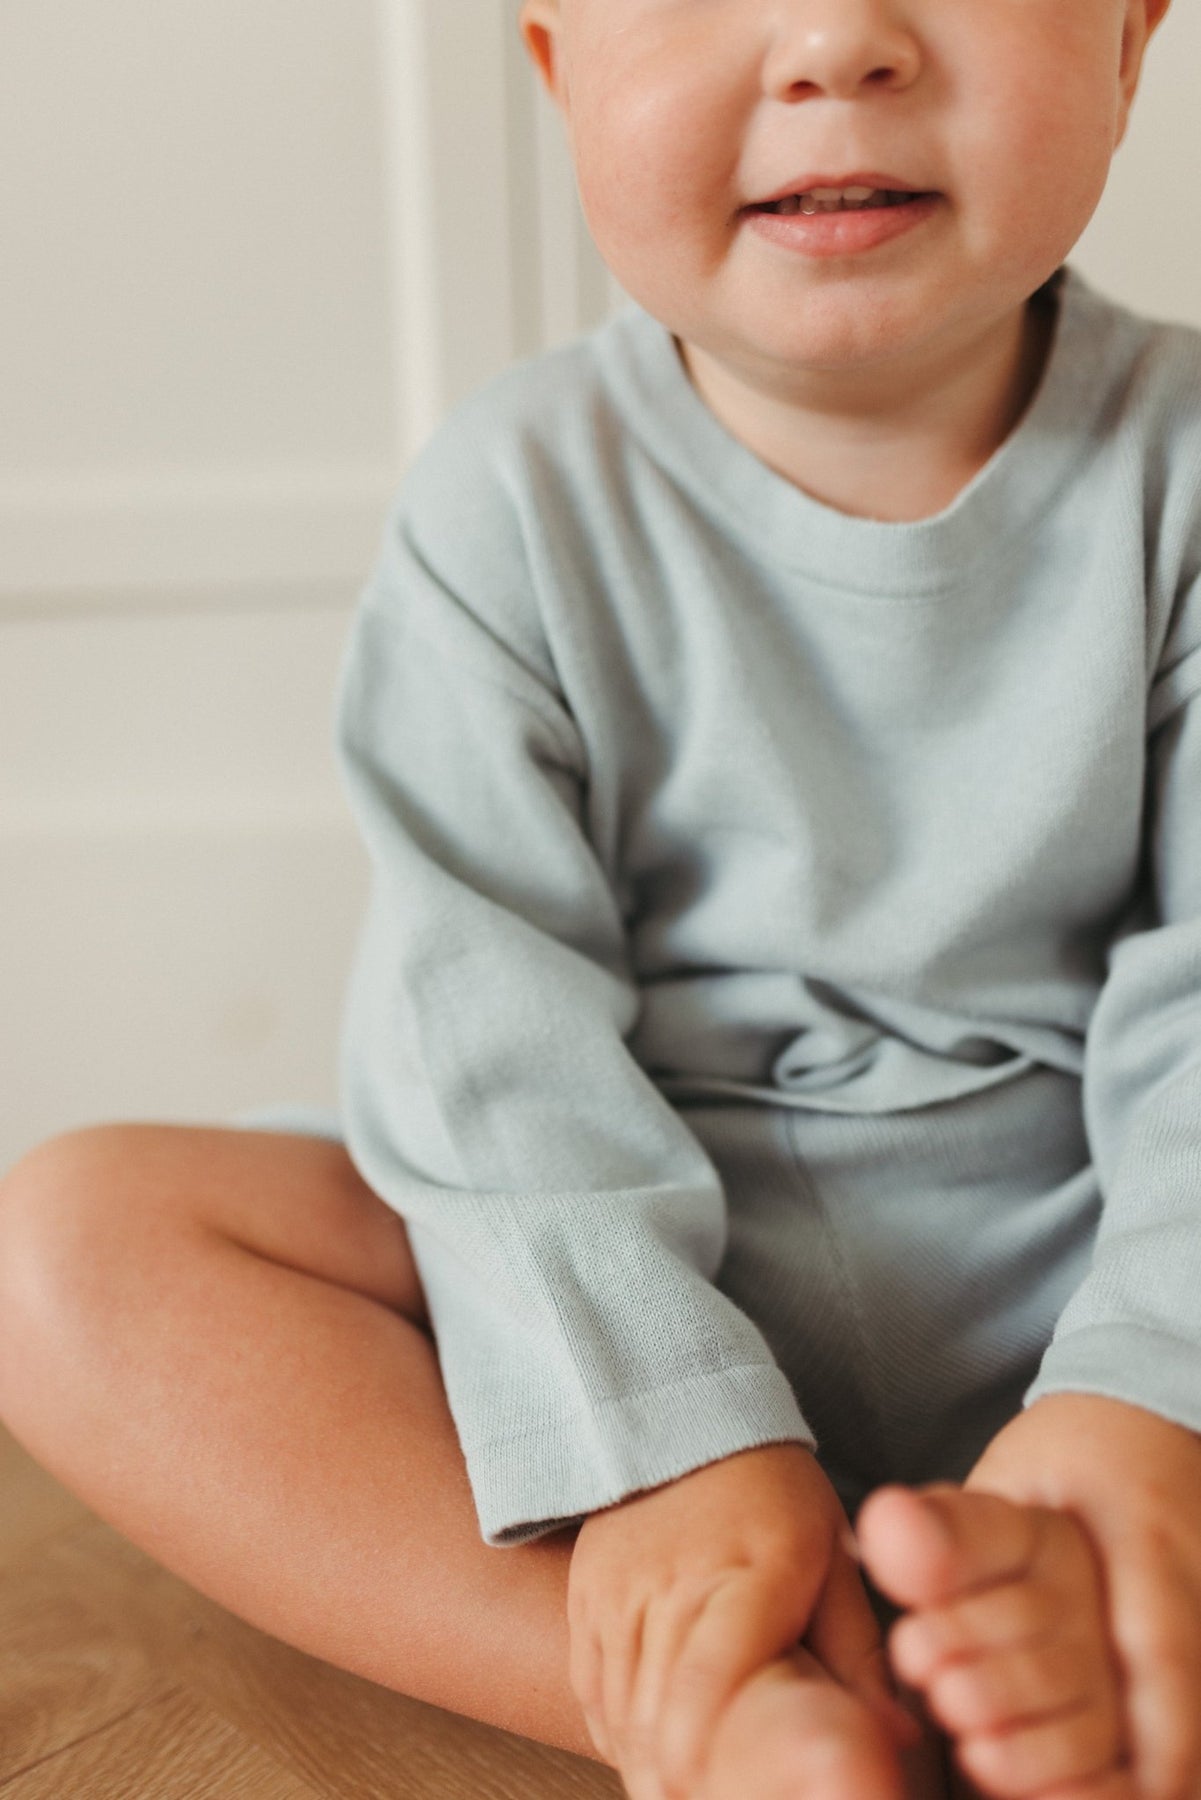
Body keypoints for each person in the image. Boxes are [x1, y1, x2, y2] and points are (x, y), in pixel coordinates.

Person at [1, 0, 1199, 1796]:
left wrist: (1145, 1396)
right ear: (558, 68)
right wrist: (652, 1425)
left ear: (1127, 40)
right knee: (76, 1245)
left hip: (1097, 1256)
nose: (835, 42)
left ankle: (1081, 1603)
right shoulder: (509, 498)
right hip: (623, 1249)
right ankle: (713, 1701)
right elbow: (483, 1043)